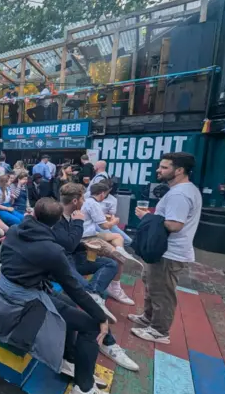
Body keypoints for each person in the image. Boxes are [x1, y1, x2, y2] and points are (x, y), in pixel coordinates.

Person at [0, 198, 114, 394]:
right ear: (57, 221)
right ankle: (84, 390)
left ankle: (69, 360)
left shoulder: (14, 230)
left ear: (33, 215)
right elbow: (75, 288)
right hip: (23, 303)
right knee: (91, 325)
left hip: (5, 290)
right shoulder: (51, 250)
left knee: (66, 303)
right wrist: (101, 316)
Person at [53, 183, 139, 371]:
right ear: (75, 200)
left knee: (110, 263)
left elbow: (73, 245)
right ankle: (108, 343)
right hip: (62, 263)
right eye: (82, 199)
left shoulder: (71, 216)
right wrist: (78, 223)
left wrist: (92, 247)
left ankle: (96, 294)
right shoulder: (57, 217)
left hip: (74, 258)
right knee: (84, 296)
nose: (84, 202)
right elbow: (65, 245)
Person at [132, 152, 202, 344]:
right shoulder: (184, 190)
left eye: (164, 167)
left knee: (162, 292)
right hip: (166, 251)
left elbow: (174, 224)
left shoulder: (180, 194)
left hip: (169, 253)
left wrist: (147, 218)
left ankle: (159, 331)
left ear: (179, 170)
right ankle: (148, 318)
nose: (159, 170)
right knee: (151, 284)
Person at [82, 182, 136, 305]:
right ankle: (113, 287)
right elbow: (104, 225)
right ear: (102, 194)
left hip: (90, 233)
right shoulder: (93, 203)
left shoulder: (85, 201)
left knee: (118, 236)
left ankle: (121, 251)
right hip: (87, 237)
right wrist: (115, 221)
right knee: (118, 259)